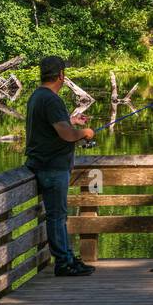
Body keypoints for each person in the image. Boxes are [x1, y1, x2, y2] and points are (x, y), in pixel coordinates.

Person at [24, 55, 96, 277]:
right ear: (61, 76)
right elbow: (65, 135)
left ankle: (67, 257)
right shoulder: (52, 100)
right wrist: (84, 133)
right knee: (57, 216)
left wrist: (72, 121)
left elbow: (54, 126)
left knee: (58, 215)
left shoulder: (37, 96)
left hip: (43, 164)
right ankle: (63, 262)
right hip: (52, 167)